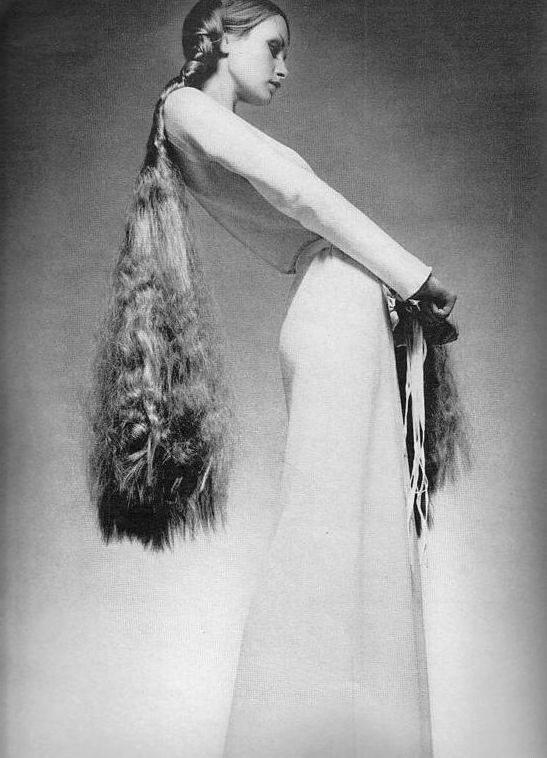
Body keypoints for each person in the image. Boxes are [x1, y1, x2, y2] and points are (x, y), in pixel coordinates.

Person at [88, 0, 467, 755]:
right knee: (327, 544)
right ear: (222, 41)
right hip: (335, 309)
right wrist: (414, 276)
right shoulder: (187, 109)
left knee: (358, 541)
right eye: (272, 46)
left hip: (340, 309)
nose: (284, 67)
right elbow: (302, 199)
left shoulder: (193, 119)